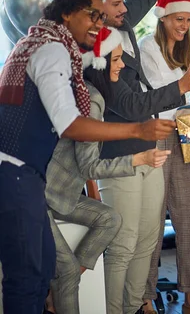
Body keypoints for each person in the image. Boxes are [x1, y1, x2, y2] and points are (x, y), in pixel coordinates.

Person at [0, 0, 174, 314]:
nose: (99, 22)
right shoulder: (51, 51)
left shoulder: (42, 40)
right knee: (29, 279)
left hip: (25, 174)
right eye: (92, 14)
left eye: (100, 13)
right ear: (66, 11)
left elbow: (89, 65)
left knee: (43, 269)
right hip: (15, 173)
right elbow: (70, 124)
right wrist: (136, 130)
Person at [92, 0, 190, 314]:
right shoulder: (97, 49)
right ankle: (122, 308)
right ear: (96, 7)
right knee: (126, 244)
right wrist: (182, 86)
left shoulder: (123, 23)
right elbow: (130, 104)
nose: (126, 8)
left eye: (124, 3)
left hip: (149, 148)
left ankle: (136, 305)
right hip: (123, 150)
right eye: (116, 4)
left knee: (143, 240)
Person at [45, 27, 171, 314]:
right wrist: (138, 159)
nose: (123, 65)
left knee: (116, 225)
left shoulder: (91, 94)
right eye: (116, 60)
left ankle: (124, 306)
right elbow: (90, 166)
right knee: (117, 246)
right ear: (97, 64)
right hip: (46, 196)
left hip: (63, 194)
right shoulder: (90, 102)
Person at [139, 0, 190, 314]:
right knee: (154, 218)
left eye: (187, 19)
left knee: (189, 214)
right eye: (178, 19)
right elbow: (160, 92)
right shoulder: (146, 47)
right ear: (163, 17)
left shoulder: (186, 50)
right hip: (158, 131)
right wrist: (188, 78)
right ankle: (145, 295)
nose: (184, 25)